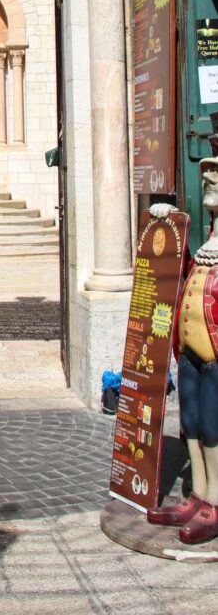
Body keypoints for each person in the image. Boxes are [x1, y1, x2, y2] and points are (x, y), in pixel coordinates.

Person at [146, 148, 218, 544]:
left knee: (213, 425)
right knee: (191, 421)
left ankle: (216, 503)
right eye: (206, 171)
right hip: (190, 351)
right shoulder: (210, 237)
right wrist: (167, 224)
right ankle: (200, 494)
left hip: (214, 356)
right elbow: (182, 265)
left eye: (216, 172)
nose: (207, 177)